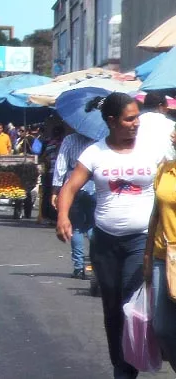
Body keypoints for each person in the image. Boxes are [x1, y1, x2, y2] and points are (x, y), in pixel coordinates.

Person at [57, 92, 168, 379]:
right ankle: (120, 364)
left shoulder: (152, 150)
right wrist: (62, 217)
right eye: (129, 119)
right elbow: (69, 188)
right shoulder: (94, 153)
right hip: (104, 242)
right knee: (112, 308)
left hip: (141, 240)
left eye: (136, 118)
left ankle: (130, 366)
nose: (135, 124)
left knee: (132, 304)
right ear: (112, 121)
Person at [145, 145, 176, 370]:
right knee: (162, 327)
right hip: (162, 256)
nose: (173, 136)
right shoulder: (164, 170)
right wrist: (147, 254)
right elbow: (155, 214)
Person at [51, 131, 96, 279]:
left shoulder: (69, 139)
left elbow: (61, 164)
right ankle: (96, 265)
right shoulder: (98, 140)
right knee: (92, 226)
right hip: (93, 185)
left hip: (72, 185)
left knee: (76, 227)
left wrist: (56, 189)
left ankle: (78, 267)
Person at [139, 90, 175, 162]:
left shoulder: (136, 122)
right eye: (166, 106)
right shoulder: (172, 125)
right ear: (160, 106)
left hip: (140, 165)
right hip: (165, 168)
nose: (167, 110)